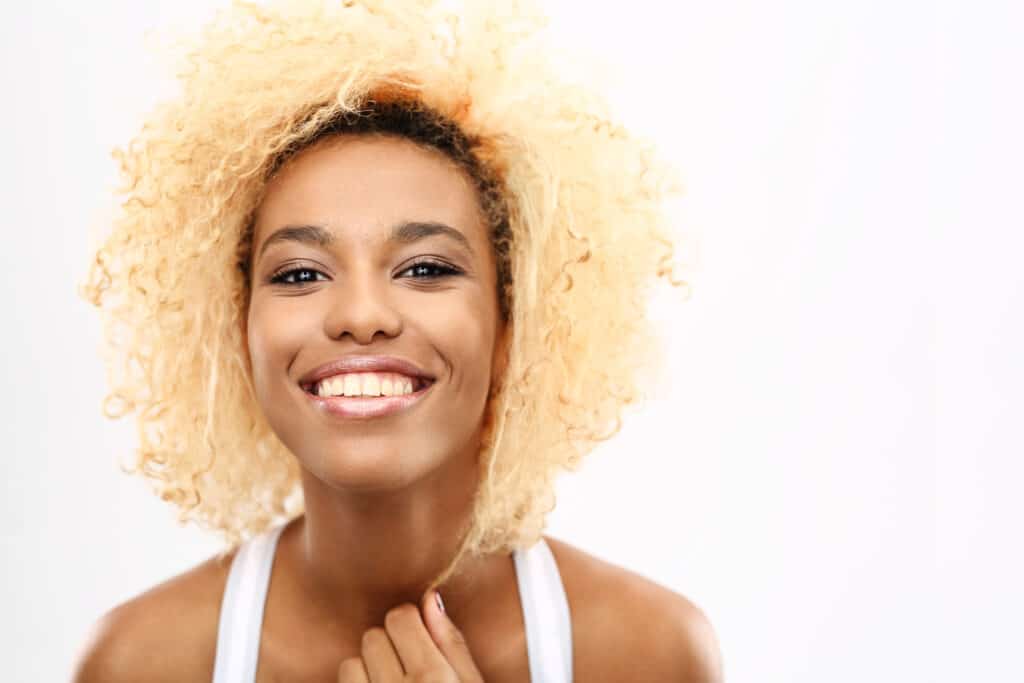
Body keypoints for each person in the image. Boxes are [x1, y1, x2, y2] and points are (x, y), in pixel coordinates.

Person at [71, 0, 722, 680]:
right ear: (236, 328)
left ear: (513, 324)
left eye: (427, 268)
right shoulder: (141, 659)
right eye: (299, 272)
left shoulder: (647, 652)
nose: (361, 313)